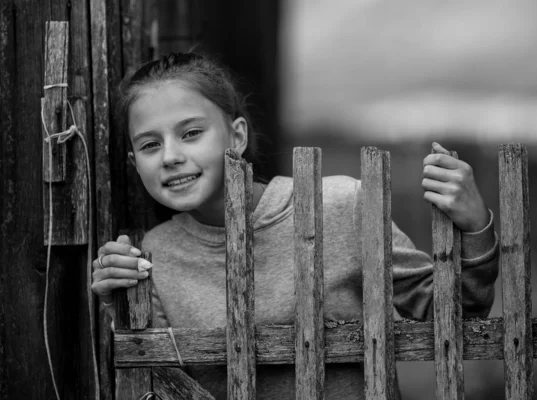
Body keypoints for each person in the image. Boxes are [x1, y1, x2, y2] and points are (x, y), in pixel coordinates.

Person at [92, 52, 498, 399]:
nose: (170, 156)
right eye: (150, 145)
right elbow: (161, 384)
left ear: (236, 137)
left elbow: (453, 313)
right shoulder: (152, 256)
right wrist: (124, 308)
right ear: (134, 164)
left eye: (191, 133)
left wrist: (476, 226)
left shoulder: (340, 206)